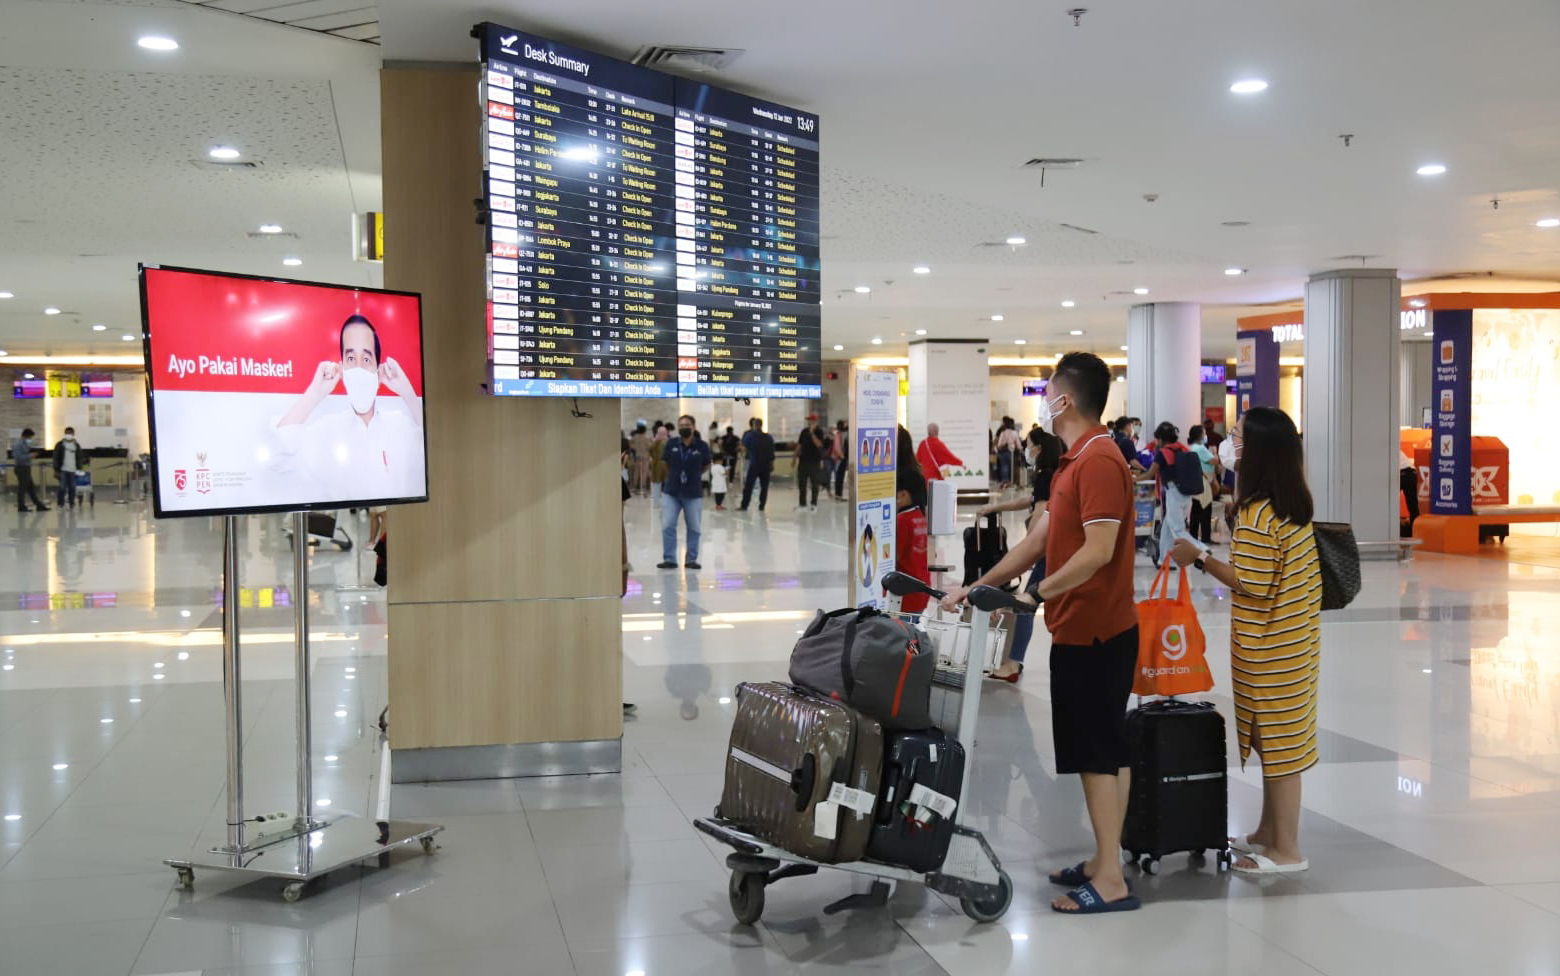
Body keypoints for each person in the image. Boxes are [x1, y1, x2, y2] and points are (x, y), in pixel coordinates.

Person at [944, 351, 1140, 914]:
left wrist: (1037, 593)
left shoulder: (1100, 460)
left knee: (1098, 753)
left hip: (1099, 633)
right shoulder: (1074, 461)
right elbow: (1036, 541)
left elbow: (1098, 552)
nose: (1044, 398)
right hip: (1081, 630)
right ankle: (1107, 861)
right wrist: (978, 583)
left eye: (1050, 389)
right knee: (1101, 749)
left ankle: (1111, 883)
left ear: (1068, 399)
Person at [1170, 406, 1321, 877]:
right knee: (1277, 743)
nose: (1228, 442)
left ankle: (1287, 851)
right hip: (1294, 642)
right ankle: (1267, 832)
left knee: (1279, 749)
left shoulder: (1257, 512)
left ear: (1256, 450)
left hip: (1269, 646)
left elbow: (1249, 582)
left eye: (1236, 435)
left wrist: (1199, 559)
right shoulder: (1291, 505)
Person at [277, 314, 424, 501]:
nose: (358, 367)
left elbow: (432, 452)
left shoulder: (399, 427)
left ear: (378, 372)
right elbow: (279, 453)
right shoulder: (327, 430)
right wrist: (315, 393)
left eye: (366, 359)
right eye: (351, 358)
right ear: (342, 369)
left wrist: (408, 394)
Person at [975, 428, 1062, 682]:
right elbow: (1031, 500)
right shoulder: (1050, 474)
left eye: (1030, 445)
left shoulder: (1047, 474)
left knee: (1026, 604)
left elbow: (1040, 512)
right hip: (1053, 550)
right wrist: (996, 506)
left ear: (1040, 449)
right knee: (1030, 602)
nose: (1027, 449)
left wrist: (1027, 552)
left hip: (1049, 552)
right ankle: (1014, 661)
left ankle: (1013, 663)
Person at [659, 415, 710, 570]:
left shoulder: (702, 446)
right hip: (672, 491)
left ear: (693, 427)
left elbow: (706, 465)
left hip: (693, 492)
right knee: (667, 526)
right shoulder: (672, 443)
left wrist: (692, 476)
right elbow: (667, 464)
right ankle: (670, 559)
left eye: (687, 425)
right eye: (680, 425)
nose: (683, 428)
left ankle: (691, 560)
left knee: (694, 527)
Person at [1145, 421, 1194, 566]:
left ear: (1160, 438)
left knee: (1176, 527)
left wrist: (1133, 478)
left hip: (1172, 492)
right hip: (1186, 491)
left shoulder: (1162, 452)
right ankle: (1165, 560)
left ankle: (1201, 549)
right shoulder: (1182, 449)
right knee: (1167, 527)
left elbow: (1150, 473)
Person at [893, 467, 931, 614]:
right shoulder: (919, 516)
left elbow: (896, 555)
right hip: (922, 587)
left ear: (903, 494)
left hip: (906, 592)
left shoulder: (902, 520)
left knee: (903, 633)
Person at [1186, 425, 1217, 545]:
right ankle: (1205, 537)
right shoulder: (1200, 448)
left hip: (1195, 480)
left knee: (1196, 509)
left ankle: (1193, 536)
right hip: (1203, 480)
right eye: (1204, 433)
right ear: (1199, 435)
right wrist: (1215, 453)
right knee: (1205, 509)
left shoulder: (1191, 448)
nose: (1205, 436)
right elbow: (1214, 461)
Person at [739, 418, 775, 512]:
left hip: (754, 464)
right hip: (766, 465)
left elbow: (743, 447)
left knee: (749, 486)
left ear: (754, 425)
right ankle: (762, 506)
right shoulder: (769, 437)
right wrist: (772, 464)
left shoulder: (750, 435)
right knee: (764, 487)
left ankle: (744, 506)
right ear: (761, 425)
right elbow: (772, 452)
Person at [10, 428, 49, 512]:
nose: (30, 439)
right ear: (26, 436)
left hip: (26, 468)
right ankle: (21, 506)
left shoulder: (24, 444)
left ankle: (39, 505)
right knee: (23, 488)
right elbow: (18, 458)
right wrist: (30, 456)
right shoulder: (18, 444)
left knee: (31, 488)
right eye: (30, 437)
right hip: (21, 468)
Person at [794, 414, 827, 511]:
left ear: (815, 422)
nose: (809, 422)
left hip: (814, 461)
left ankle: (814, 503)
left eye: (811, 420)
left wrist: (812, 433)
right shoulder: (804, 432)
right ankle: (802, 504)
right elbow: (799, 445)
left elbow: (819, 445)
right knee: (802, 483)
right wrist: (794, 457)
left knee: (814, 483)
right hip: (803, 460)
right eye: (808, 420)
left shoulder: (819, 432)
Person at [51, 427, 83, 510]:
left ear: (73, 434)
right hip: (63, 470)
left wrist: (79, 468)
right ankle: (60, 504)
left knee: (72, 488)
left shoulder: (76, 445)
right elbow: (55, 457)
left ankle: (72, 504)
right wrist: (56, 469)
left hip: (73, 470)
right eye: (67, 433)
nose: (69, 435)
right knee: (62, 487)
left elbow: (79, 457)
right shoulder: (60, 445)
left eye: (70, 433)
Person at [995, 417, 1022, 489]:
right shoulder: (1014, 433)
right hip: (1011, 453)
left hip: (1003, 452)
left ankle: (1005, 482)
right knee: (1012, 468)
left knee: (1004, 467)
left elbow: (999, 444)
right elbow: (1018, 445)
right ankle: (1011, 482)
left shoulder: (1003, 433)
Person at [1400, 446, 1419, 537]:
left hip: (1402, 473)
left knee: (1389, 503)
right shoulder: (1396, 449)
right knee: (1413, 507)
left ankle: (1393, 529)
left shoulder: (1386, 451)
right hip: (1412, 473)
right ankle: (1415, 532)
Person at [829, 420, 849, 500]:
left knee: (840, 476)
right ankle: (838, 495)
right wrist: (842, 456)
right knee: (839, 476)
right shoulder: (838, 434)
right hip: (840, 458)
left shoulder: (843, 434)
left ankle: (839, 494)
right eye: (845, 424)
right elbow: (837, 447)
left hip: (842, 457)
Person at [628, 425, 651, 495]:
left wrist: (635, 448)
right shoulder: (646, 438)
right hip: (645, 457)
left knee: (636, 472)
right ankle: (643, 487)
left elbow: (630, 443)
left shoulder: (635, 437)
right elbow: (649, 447)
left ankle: (635, 487)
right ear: (644, 430)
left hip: (637, 456)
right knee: (644, 472)